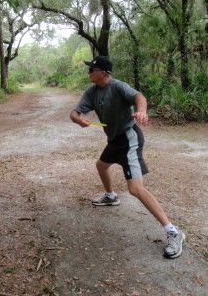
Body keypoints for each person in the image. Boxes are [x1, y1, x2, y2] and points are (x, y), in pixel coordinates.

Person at [70, 55, 185, 259]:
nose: (88, 72)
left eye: (92, 70)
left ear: (103, 72)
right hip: (114, 140)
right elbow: (74, 112)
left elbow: (139, 97)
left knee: (135, 189)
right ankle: (111, 196)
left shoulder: (118, 86)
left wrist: (141, 111)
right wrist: (78, 119)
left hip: (129, 138)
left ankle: (173, 232)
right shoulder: (92, 91)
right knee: (101, 165)